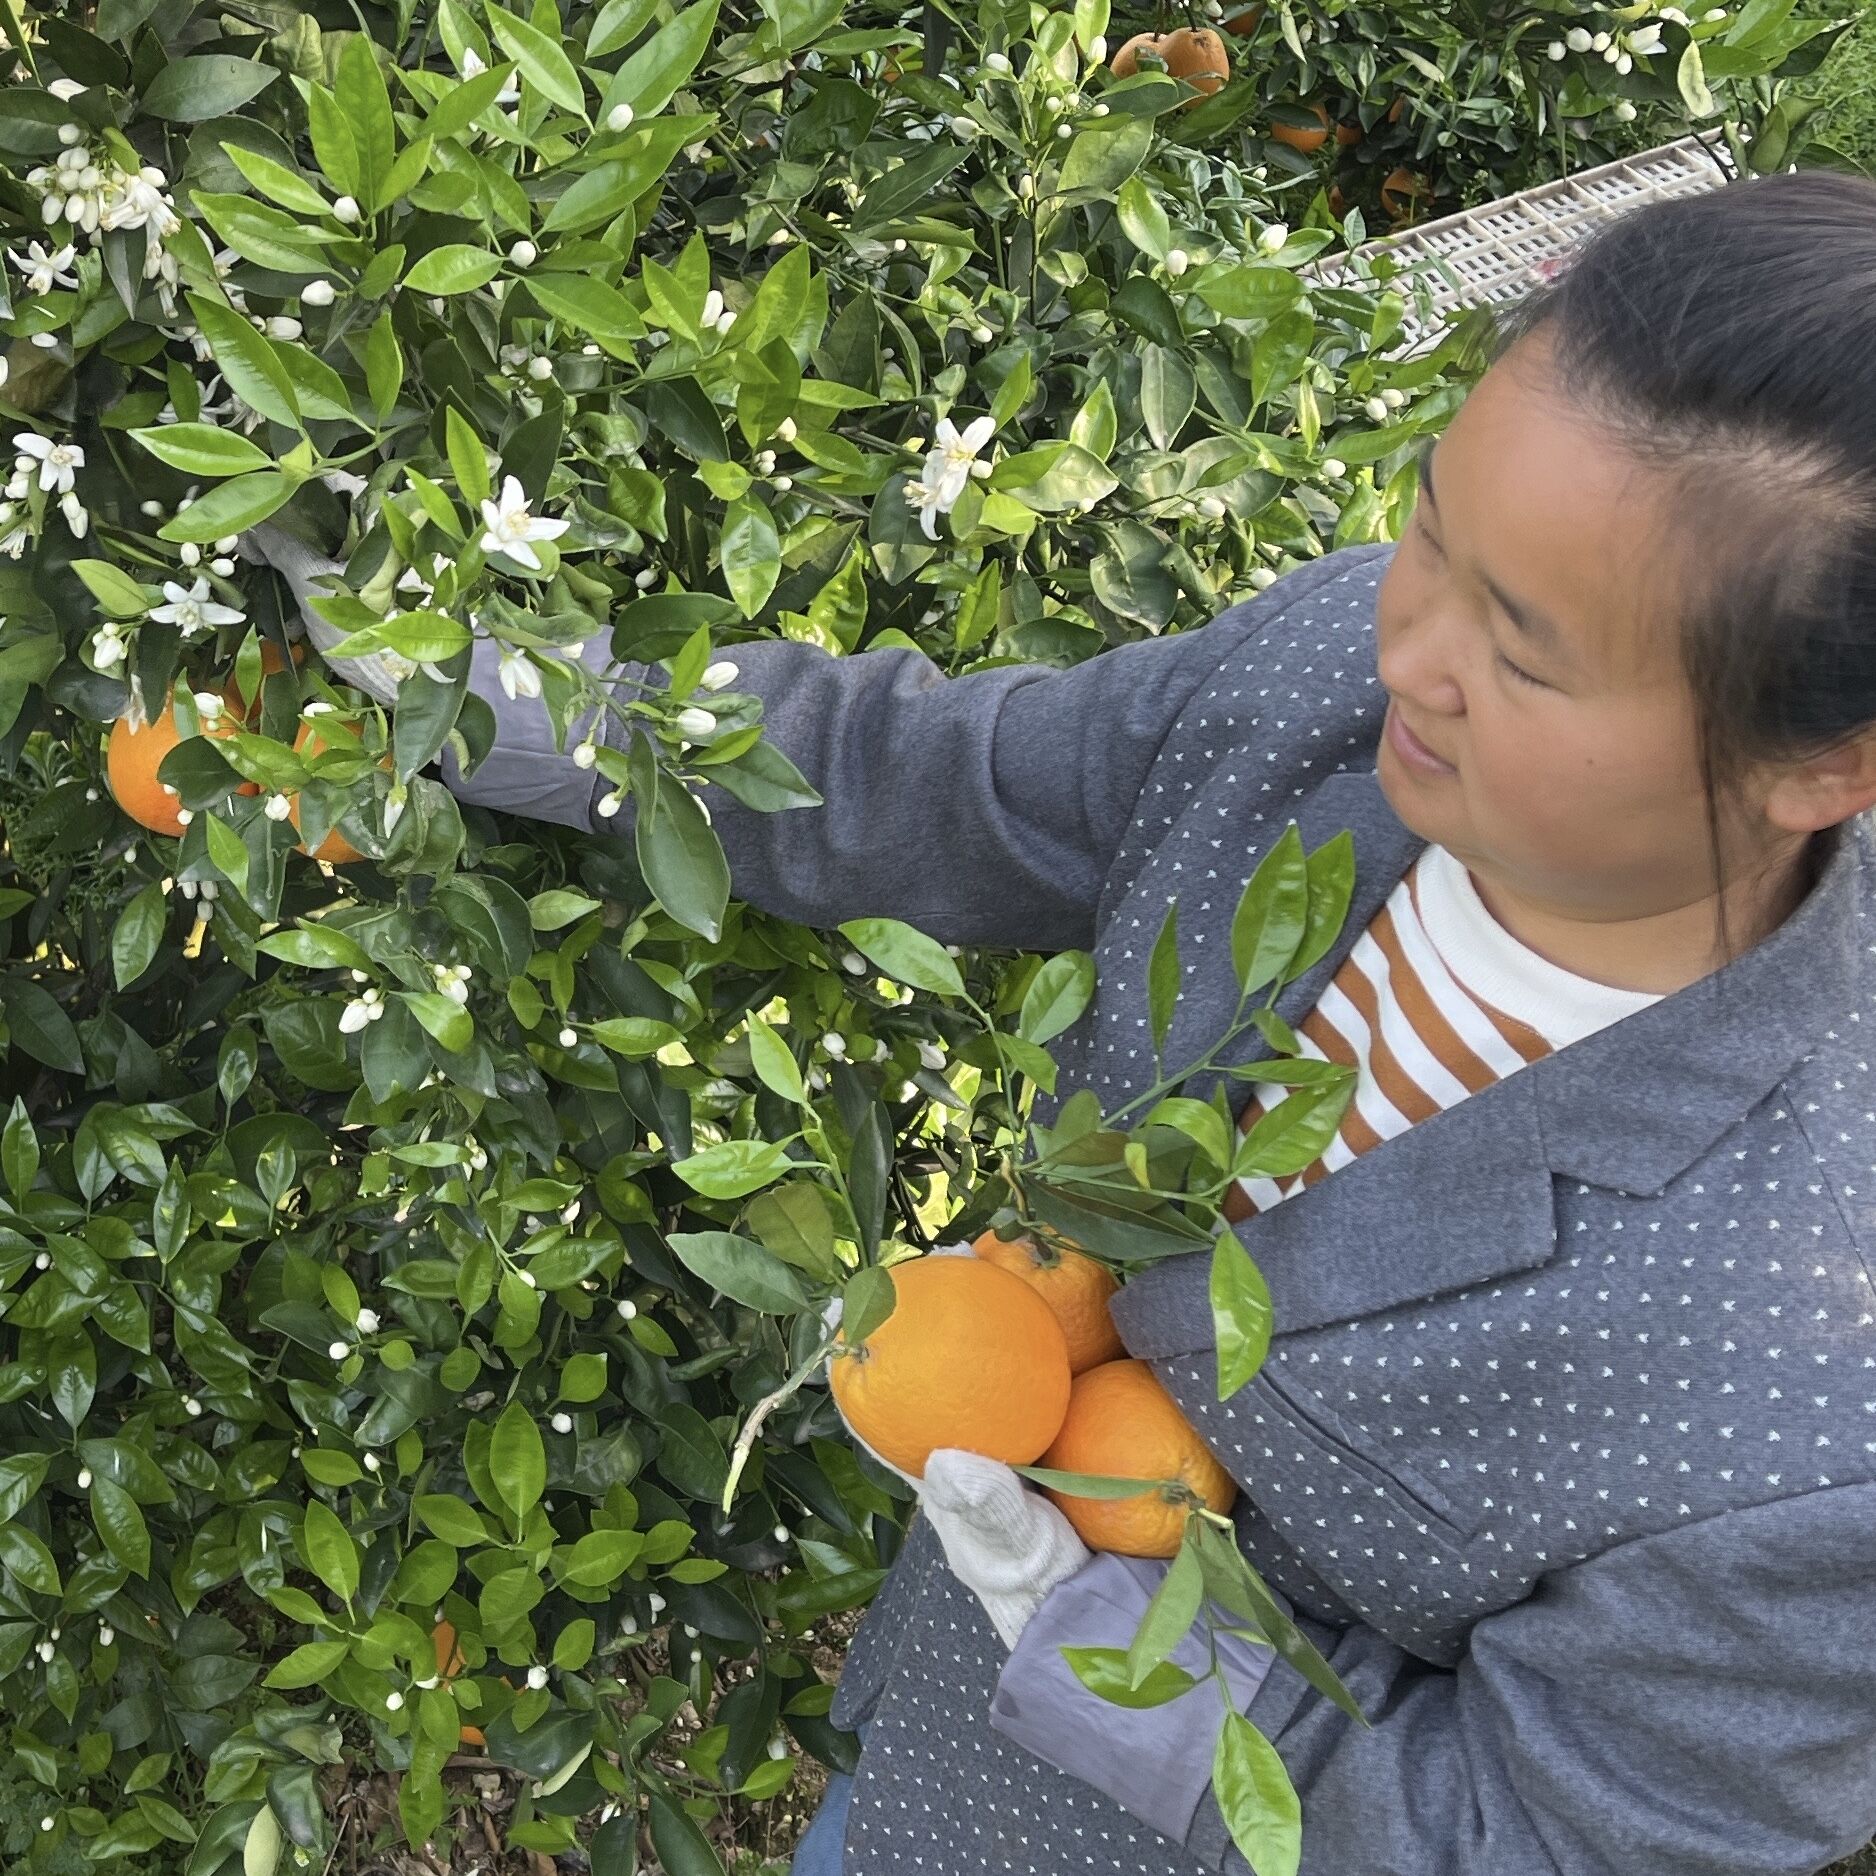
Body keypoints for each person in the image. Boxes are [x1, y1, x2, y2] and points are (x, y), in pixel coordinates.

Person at [250, 169, 1876, 1876]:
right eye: (1430, 532)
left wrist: (1131, 1660)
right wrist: (518, 686)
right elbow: (928, 780)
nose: (1413, 650)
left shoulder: (1806, 1403)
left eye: (1527, 660)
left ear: (1823, 765)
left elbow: (1537, 1848)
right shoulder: (1327, 688)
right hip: (942, 1775)